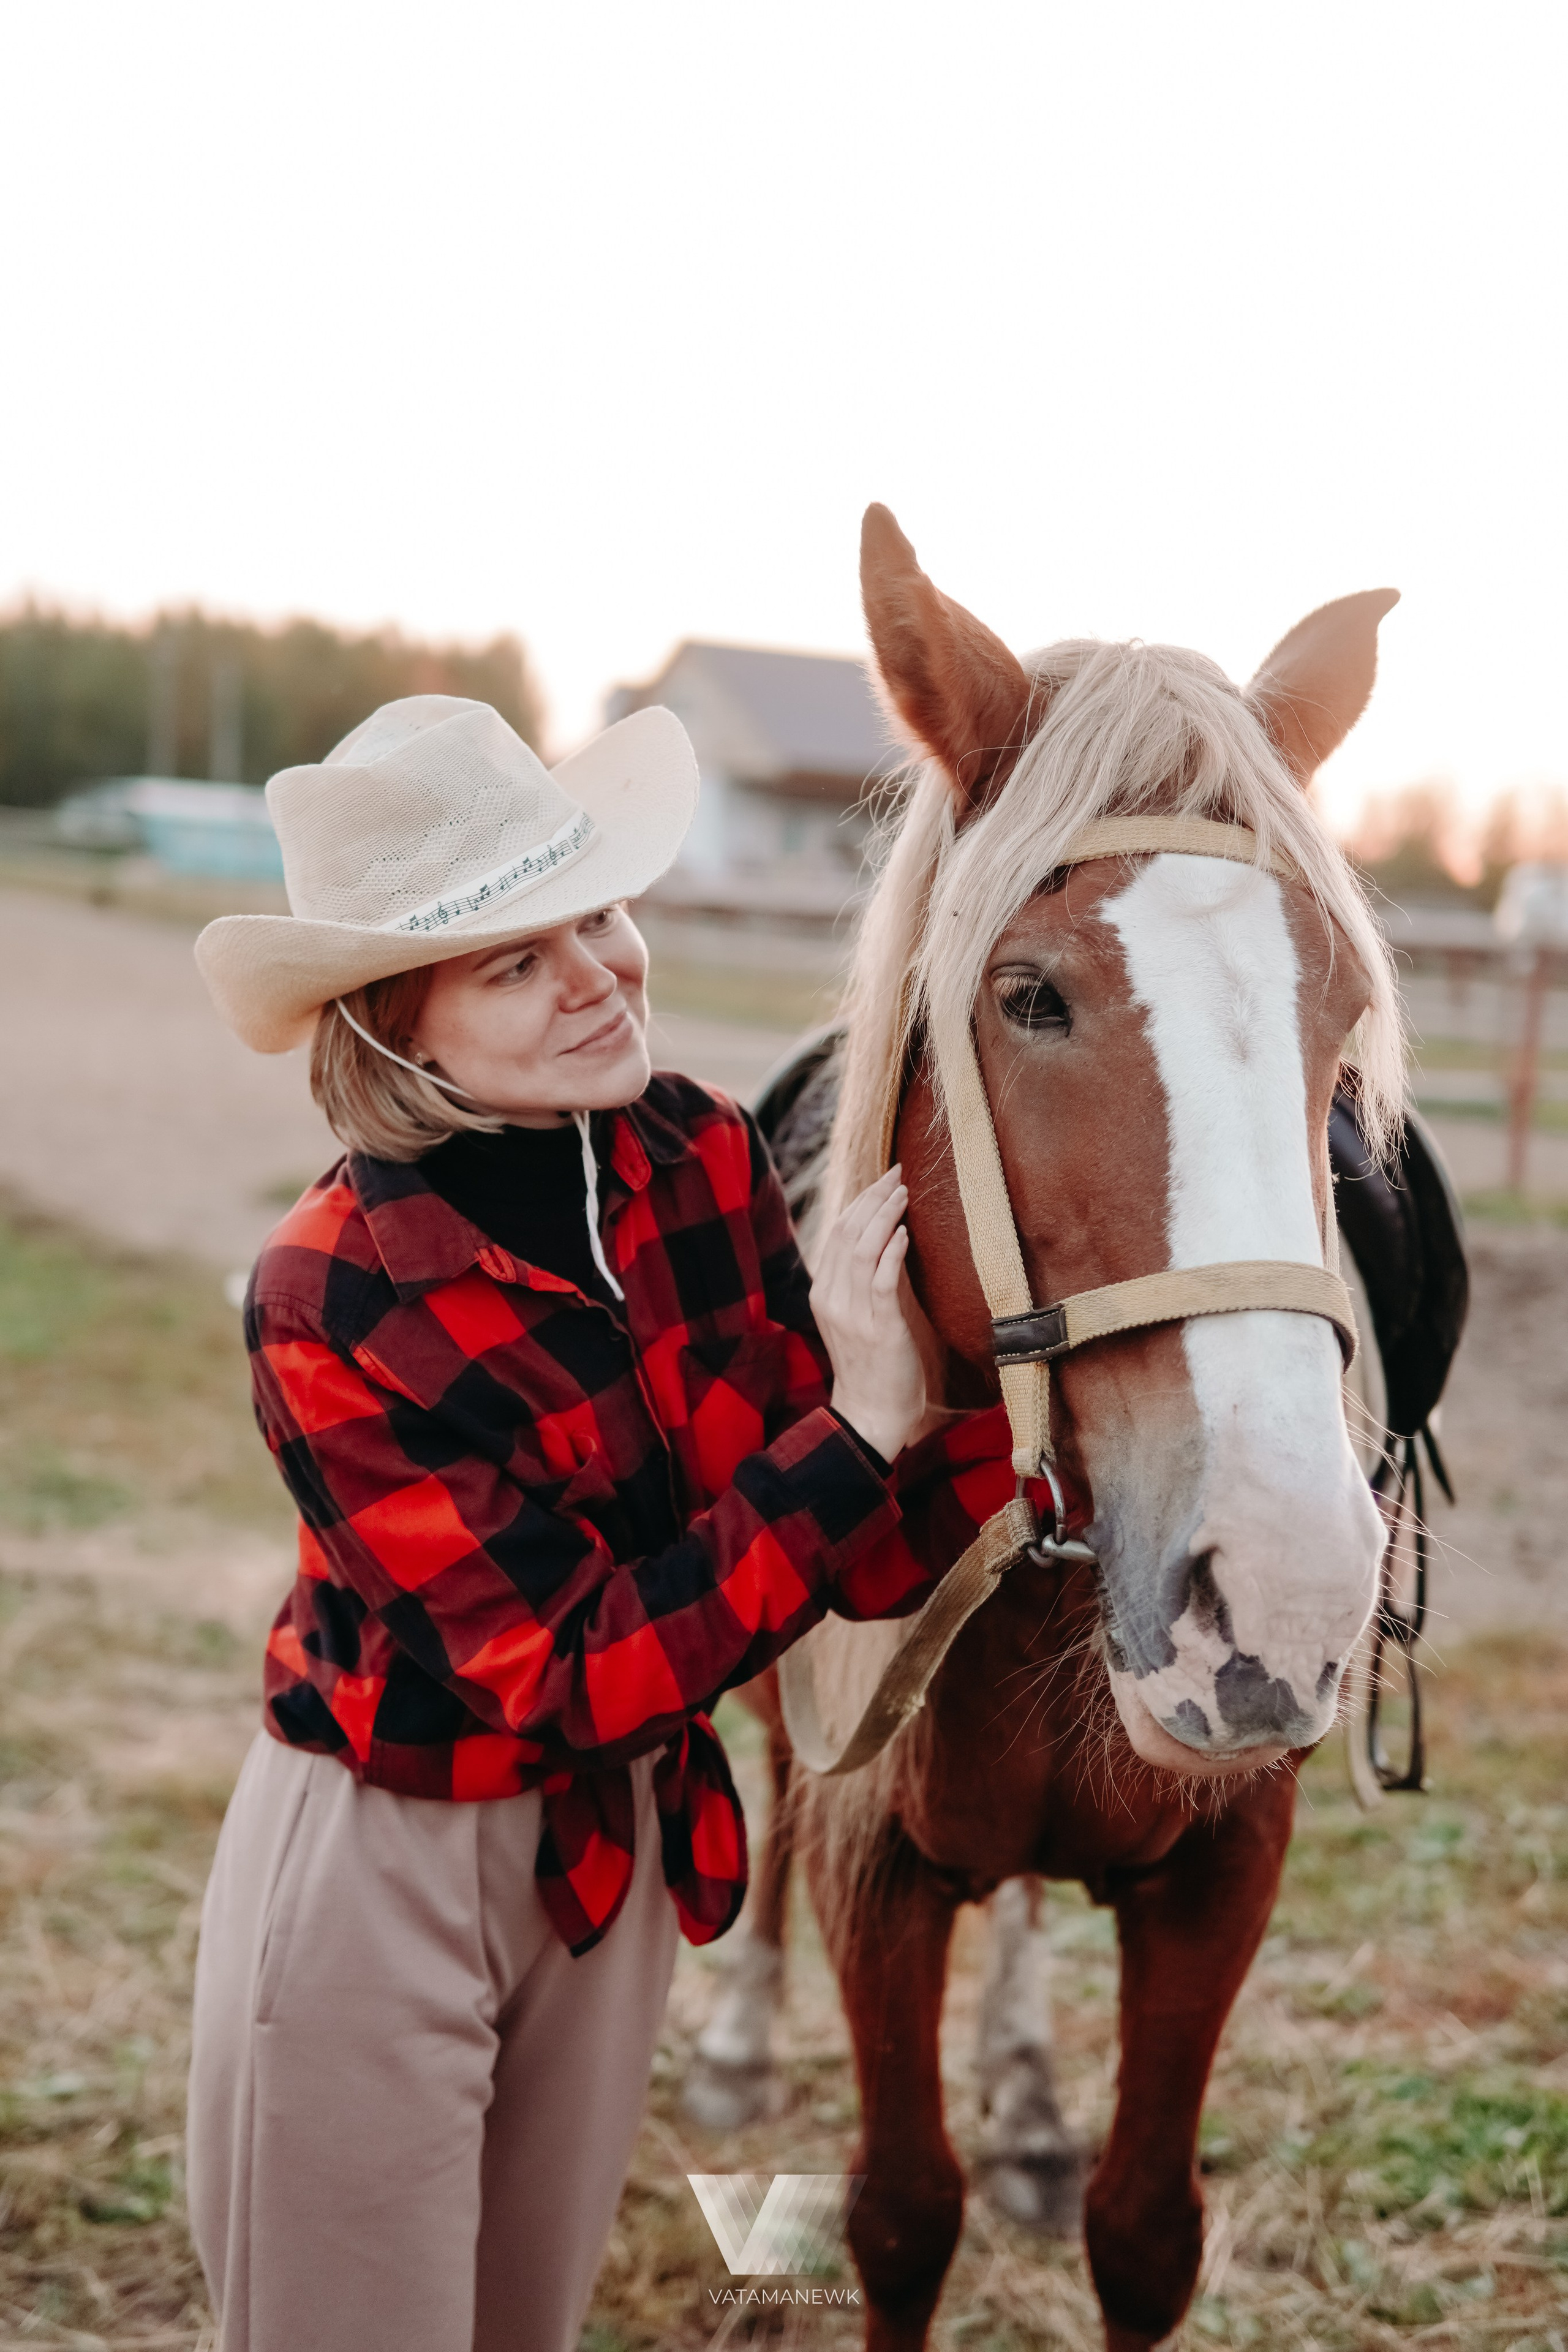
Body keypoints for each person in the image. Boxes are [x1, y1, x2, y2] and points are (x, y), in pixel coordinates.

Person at [184, 693, 993, 2352]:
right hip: (389, 1853)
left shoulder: (696, 1156)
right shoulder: (328, 1296)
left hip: (616, 1845)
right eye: (514, 963)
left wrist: (1047, 1419)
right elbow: (566, 1674)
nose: (599, 975)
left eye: (600, 915)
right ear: (398, 1030)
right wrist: (858, 1428)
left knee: (521, 2326)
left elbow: (841, 1543)